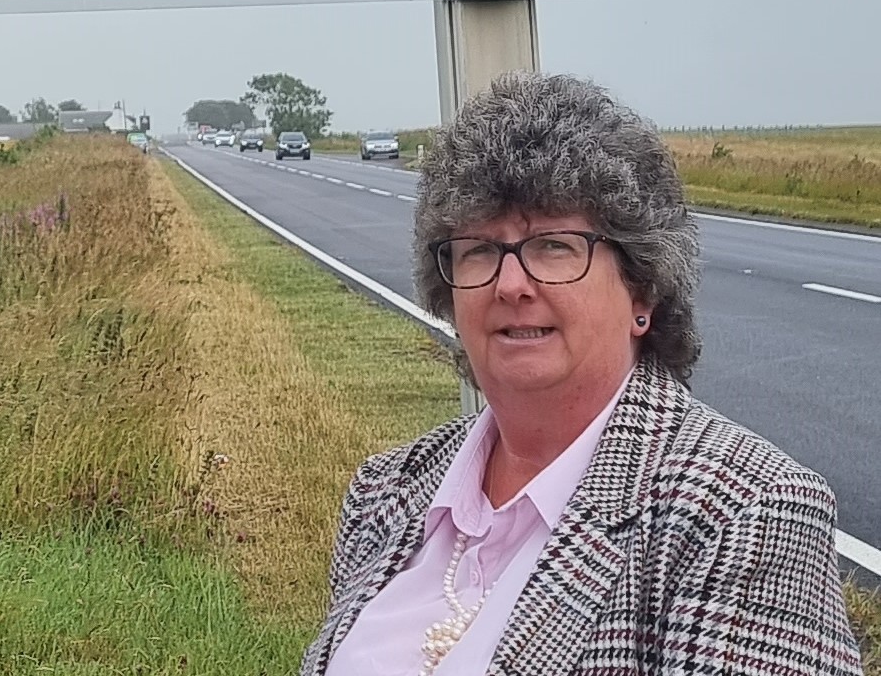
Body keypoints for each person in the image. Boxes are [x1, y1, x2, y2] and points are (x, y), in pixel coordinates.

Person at [302, 72, 859, 676]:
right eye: (480, 251)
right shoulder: (387, 490)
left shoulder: (746, 513)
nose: (511, 285)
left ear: (642, 285)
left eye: (555, 247)